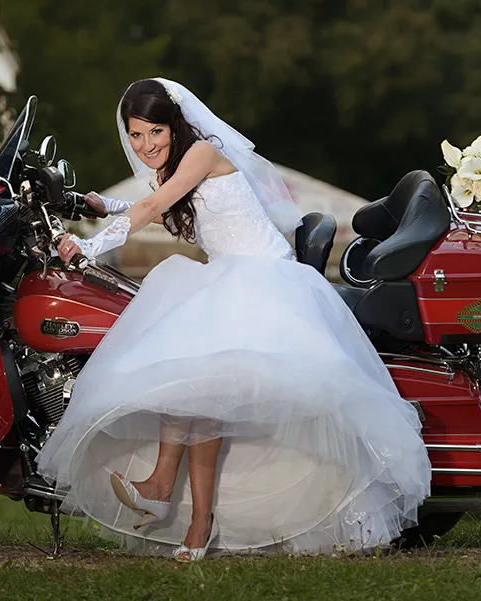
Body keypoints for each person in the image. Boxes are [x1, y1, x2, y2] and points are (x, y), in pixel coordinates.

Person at [36, 78, 431, 562]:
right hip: (229, 277)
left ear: (175, 124)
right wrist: (103, 206)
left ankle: (169, 495)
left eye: (155, 132)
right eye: (136, 135)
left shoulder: (202, 152)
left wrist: (89, 244)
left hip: (261, 279)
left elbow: (156, 204)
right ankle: (183, 512)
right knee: (192, 387)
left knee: (193, 379)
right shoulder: (179, 166)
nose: (146, 145)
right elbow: (162, 209)